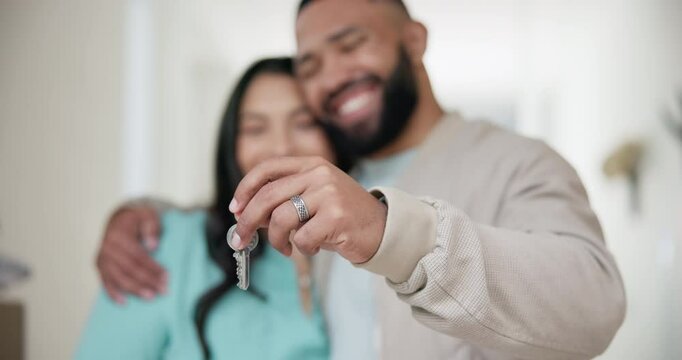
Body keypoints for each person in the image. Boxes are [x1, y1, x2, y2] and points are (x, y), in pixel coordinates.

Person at [95, 1, 627, 359]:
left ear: (414, 41)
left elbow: (594, 304)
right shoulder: (329, 178)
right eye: (311, 63)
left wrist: (387, 229)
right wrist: (139, 213)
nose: (331, 77)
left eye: (352, 44)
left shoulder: (519, 162)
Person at [77, 57, 339, 360]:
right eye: (255, 129)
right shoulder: (170, 243)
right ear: (231, 145)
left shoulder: (354, 248)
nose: (281, 148)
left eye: (305, 123)